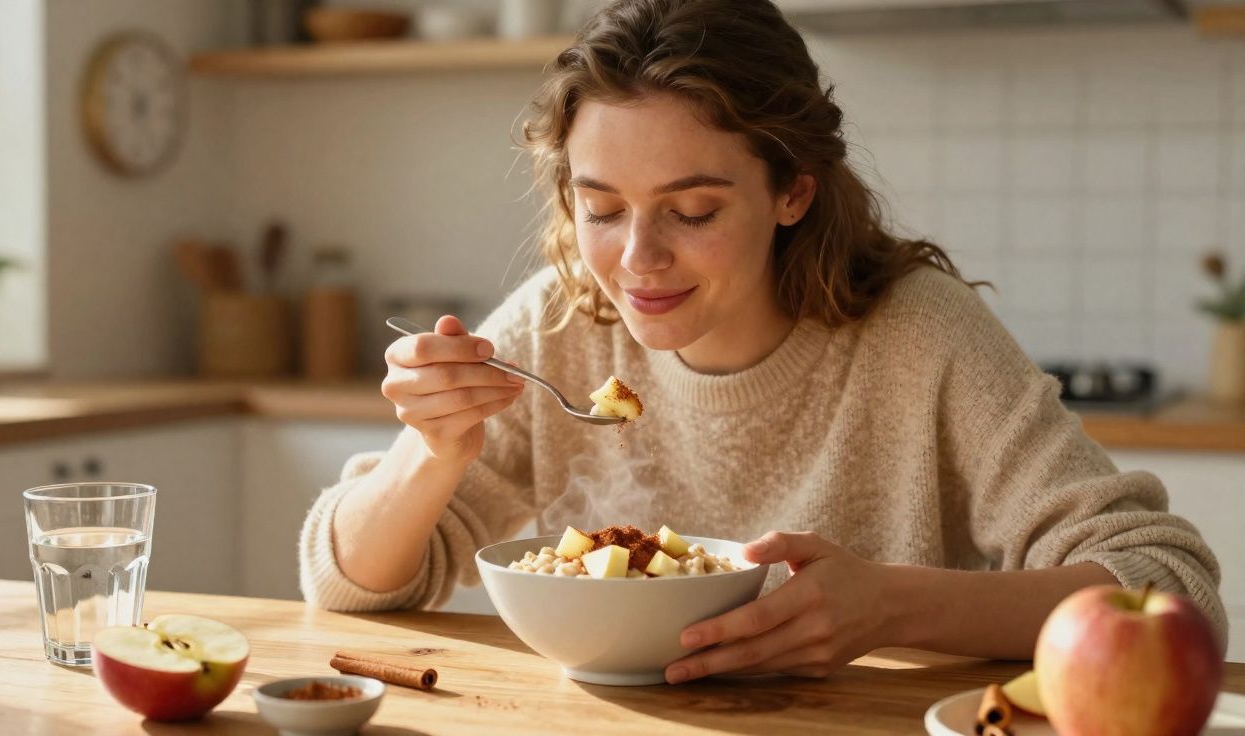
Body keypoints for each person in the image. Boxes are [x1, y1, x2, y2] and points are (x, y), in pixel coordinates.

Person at [300, 0, 1226, 684]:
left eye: (693, 210)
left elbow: (1169, 589)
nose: (638, 259)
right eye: (602, 209)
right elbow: (345, 588)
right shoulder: (562, 321)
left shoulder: (914, 335)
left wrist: (894, 603)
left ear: (794, 193)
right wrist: (430, 456)